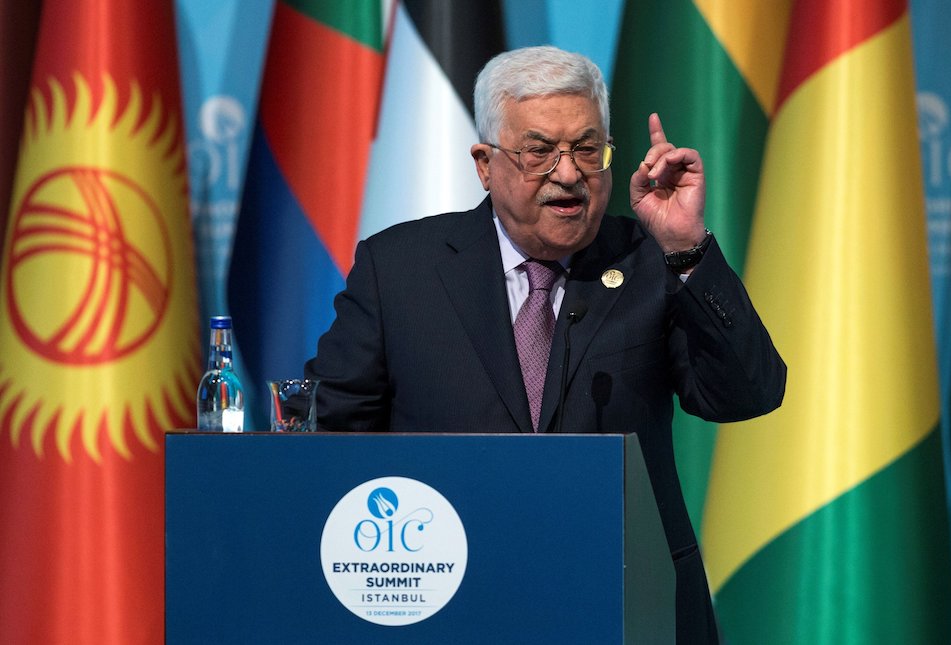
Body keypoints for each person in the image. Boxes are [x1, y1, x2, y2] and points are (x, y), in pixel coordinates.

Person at [306, 45, 786, 643]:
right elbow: (329, 437)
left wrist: (687, 251)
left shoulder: (648, 261)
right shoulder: (400, 269)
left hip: (627, 600)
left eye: (587, 149)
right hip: (449, 602)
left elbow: (749, 393)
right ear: (485, 164)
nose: (568, 173)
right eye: (539, 151)